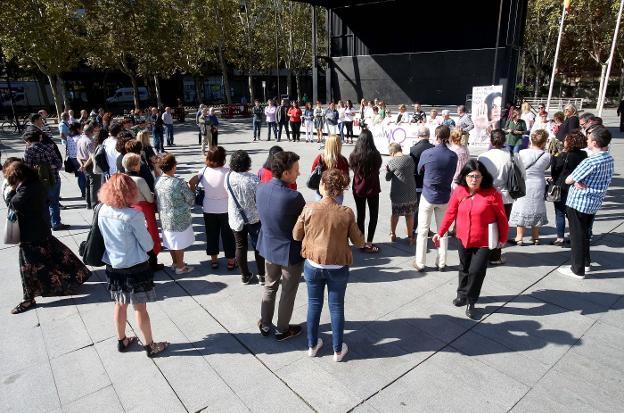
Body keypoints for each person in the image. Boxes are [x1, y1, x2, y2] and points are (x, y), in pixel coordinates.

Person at [293, 169, 364, 361]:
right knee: (336, 307)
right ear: (341, 190)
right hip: (338, 267)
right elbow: (359, 242)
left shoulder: (309, 208)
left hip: (313, 264)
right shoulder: (346, 213)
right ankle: (337, 350)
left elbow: (296, 235)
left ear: (322, 186)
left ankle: (312, 345)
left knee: (313, 304)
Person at [4, 160, 91, 314]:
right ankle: (78, 275)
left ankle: (28, 298)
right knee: (57, 254)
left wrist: (10, 191)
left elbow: (12, 204)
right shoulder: (37, 184)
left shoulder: (23, 191)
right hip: (42, 227)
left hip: (30, 235)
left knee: (29, 269)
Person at [97, 173, 168, 357]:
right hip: (135, 266)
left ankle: (122, 340)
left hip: (113, 264)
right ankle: (150, 345)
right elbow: (148, 245)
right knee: (140, 308)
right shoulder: (133, 215)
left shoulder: (102, 209)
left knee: (120, 304)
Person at [433, 160, 509, 318]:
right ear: (464, 176)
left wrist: (503, 238)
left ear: (483, 177)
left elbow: (502, 218)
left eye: (477, 176)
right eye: (470, 176)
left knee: (476, 271)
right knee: (464, 267)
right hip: (462, 238)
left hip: (483, 241)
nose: (474, 179)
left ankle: (472, 301)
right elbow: (450, 213)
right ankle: (461, 294)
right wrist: (440, 232)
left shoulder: (492, 194)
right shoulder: (460, 191)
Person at [256, 151, 305, 341]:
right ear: (285, 173)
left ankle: (266, 324)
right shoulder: (293, 197)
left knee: (269, 286)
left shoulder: (261, 189)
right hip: (289, 251)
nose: (298, 173)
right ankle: (282, 329)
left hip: (268, 246)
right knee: (288, 291)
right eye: (296, 170)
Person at [559, 126, 614, 279]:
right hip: (594, 202)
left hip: (579, 202)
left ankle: (577, 269)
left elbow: (569, 179)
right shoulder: (608, 158)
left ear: (595, 143)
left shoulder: (590, 162)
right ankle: (586, 262)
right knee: (584, 234)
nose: (587, 141)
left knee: (577, 236)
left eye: (589, 139)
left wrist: (575, 180)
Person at [414, 125, 458, 272]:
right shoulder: (453, 156)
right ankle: (441, 262)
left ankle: (420, 263)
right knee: (443, 231)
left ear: (436, 136)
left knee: (422, 231)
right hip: (444, 196)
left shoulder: (427, 153)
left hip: (428, 195)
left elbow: (419, 171)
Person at [478, 129, 521, 264]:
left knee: (485, 224)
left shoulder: (483, 157)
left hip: (487, 194)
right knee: (501, 225)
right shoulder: (513, 156)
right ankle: (495, 255)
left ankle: (483, 252)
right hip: (505, 195)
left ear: (491, 141)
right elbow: (521, 176)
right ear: (505, 141)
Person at [226, 150, 265, 285]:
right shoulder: (253, 179)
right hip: (254, 217)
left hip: (236, 217)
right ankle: (262, 275)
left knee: (240, 246)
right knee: (258, 246)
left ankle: (245, 275)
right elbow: (259, 198)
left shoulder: (228, 178)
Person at [194, 146, 236, 270]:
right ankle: (231, 261)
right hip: (225, 208)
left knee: (211, 234)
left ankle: (214, 261)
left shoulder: (204, 170)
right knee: (228, 235)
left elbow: (191, 182)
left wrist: (194, 193)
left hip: (208, 208)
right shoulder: (228, 172)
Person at [122, 153, 164, 272]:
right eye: (139, 163)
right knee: (150, 235)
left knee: (136, 237)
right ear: (135, 166)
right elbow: (150, 199)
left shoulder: (122, 178)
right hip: (144, 209)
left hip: (130, 208)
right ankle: (153, 263)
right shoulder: (139, 180)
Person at [508, 129, 551, 245]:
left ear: (531, 140)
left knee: (522, 207)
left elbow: (517, 166)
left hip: (524, 182)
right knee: (536, 207)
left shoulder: (522, 152)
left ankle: (519, 237)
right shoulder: (547, 155)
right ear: (544, 142)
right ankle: (535, 237)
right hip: (538, 183)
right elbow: (546, 168)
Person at [155, 154, 195, 274]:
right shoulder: (179, 183)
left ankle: (175, 263)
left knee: (171, 242)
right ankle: (181, 267)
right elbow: (191, 200)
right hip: (179, 217)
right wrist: (192, 186)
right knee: (179, 243)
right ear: (173, 167)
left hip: (165, 217)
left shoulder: (157, 181)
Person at [550, 132, 588, 246]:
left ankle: (560, 238)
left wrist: (554, 157)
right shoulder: (583, 154)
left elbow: (555, 171)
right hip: (576, 187)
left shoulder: (564, 155)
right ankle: (574, 236)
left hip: (562, 186)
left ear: (570, 142)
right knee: (572, 214)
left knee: (560, 212)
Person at [349, 129, 382, 253]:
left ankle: (361, 242)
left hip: (358, 187)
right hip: (372, 187)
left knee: (360, 215)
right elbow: (377, 168)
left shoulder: (354, 155)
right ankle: (369, 242)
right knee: (373, 215)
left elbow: (352, 167)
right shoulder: (376, 155)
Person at [385, 142, 417, 245]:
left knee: (395, 214)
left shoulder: (392, 162)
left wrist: (387, 170)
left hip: (398, 192)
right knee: (410, 215)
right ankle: (410, 237)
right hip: (410, 192)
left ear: (392, 152)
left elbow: (387, 178)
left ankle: (392, 234)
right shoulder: (410, 159)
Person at [409, 126, 434, 232]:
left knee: (416, 206)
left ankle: (413, 228)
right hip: (430, 181)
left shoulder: (413, 149)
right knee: (427, 207)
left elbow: (412, 167)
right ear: (429, 135)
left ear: (418, 135)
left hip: (417, 181)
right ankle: (426, 228)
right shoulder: (433, 147)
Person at [311, 134, 349, 204]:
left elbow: (313, 172)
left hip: (321, 191)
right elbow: (346, 179)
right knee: (335, 213)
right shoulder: (342, 160)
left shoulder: (320, 158)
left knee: (320, 212)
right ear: (338, 145)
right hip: (337, 193)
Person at [76, 122, 98, 208]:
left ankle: (88, 203)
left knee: (88, 184)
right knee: (94, 185)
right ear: (91, 132)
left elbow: (77, 155)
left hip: (83, 162)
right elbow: (91, 156)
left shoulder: (80, 140)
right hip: (89, 164)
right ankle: (94, 204)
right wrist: (85, 166)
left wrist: (81, 165)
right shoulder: (89, 141)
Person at [67, 122, 87, 199]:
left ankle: (83, 192)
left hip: (72, 158)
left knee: (79, 176)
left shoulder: (69, 137)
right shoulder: (78, 138)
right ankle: (84, 192)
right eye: (81, 128)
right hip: (79, 158)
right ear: (78, 129)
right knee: (83, 176)